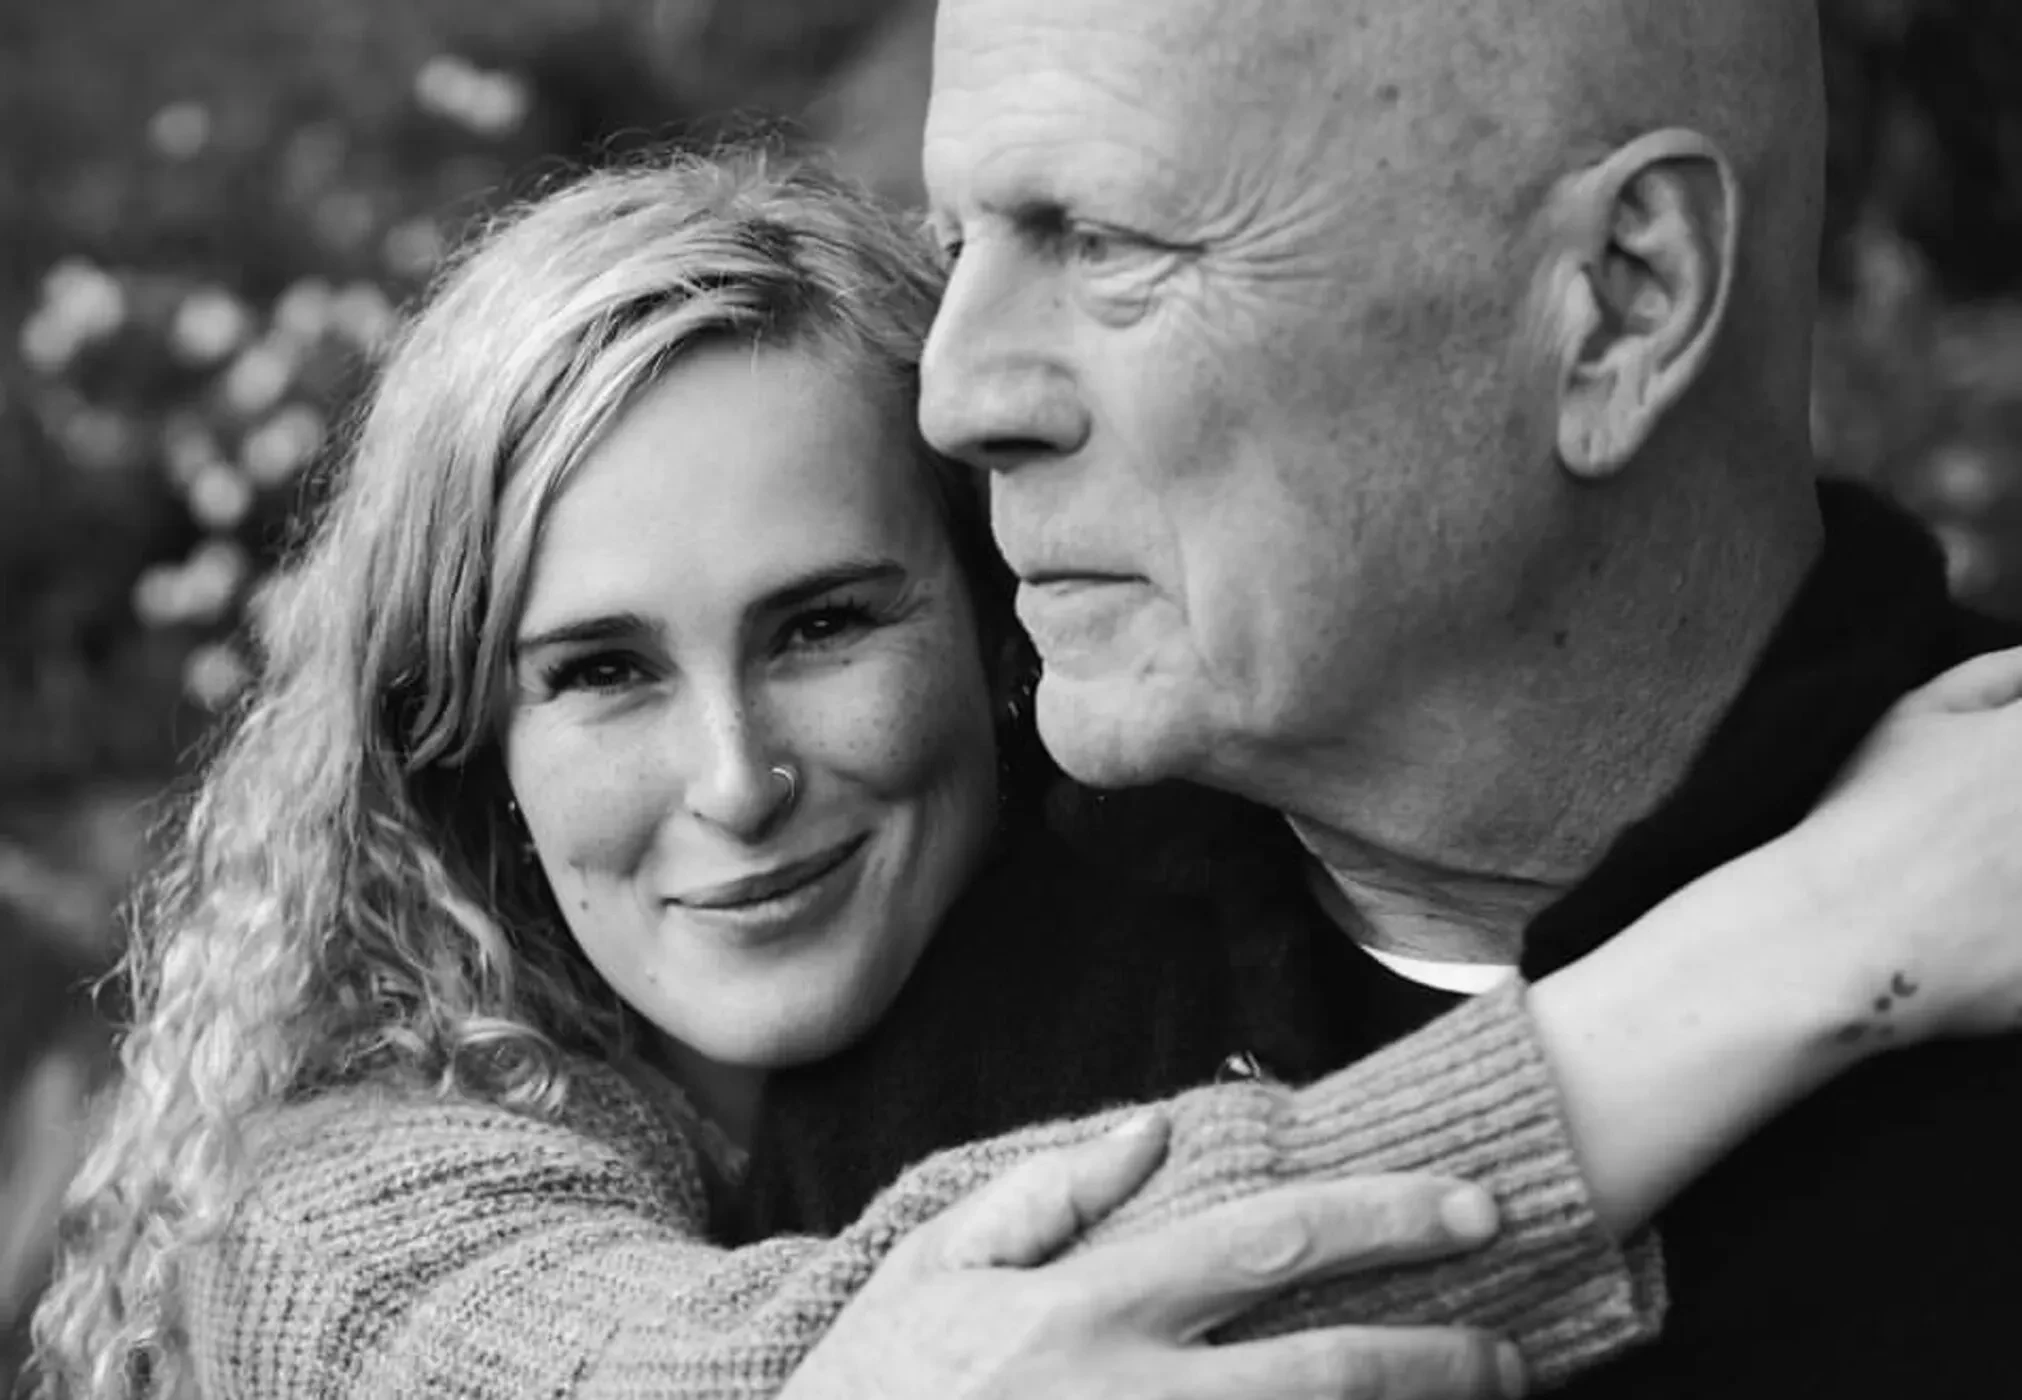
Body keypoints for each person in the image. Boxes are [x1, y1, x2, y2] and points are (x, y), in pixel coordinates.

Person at [27, 153, 2022, 1400]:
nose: (737, 779)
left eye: (824, 624)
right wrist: (1828, 937)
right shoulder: (333, 1215)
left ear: (999, 626)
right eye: (603, 673)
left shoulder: (1177, 921)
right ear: (467, 747)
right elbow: (870, 1361)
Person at [736, 0, 2022, 1396]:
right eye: (955, 248)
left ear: (1622, 298)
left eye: (1106, 243)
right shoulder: (900, 972)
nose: (954, 397)